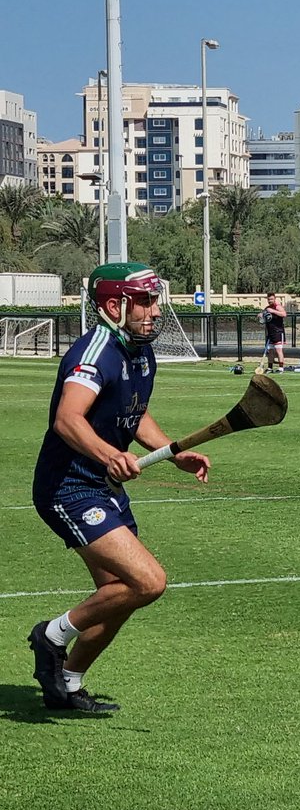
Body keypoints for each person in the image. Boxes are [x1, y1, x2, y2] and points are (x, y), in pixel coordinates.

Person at [28, 262, 211, 713]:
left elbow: (135, 411)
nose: (155, 310)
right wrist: (110, 455)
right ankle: (51, 635)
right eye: (145, 301)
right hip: (67, 487)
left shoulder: (140, 350)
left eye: (155, 300)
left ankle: (66, 685)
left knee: (118, 596)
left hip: (102, 486)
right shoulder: (96, 352)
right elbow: (68, 419)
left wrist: (170, 451)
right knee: (148, 581)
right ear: (114, 305)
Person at [261, 292, 287, 372]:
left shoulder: (277, 307)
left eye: (271, 299)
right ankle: (270, 367)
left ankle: (281, 368)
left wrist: (273, 311)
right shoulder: (267, 308)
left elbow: (284, 314)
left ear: (274, 299)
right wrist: (261, 315)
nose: (270, 301)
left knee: (278, 350)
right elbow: (264, 316)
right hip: (270, 333)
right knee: (270, 351)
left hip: (278, 332)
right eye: (269, 299)